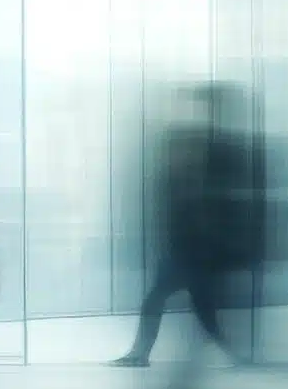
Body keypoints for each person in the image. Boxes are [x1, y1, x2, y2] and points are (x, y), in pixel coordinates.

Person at [111, 83, 259, 371]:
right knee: (184, 306)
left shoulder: (210, 166)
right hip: (186, 252)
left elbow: (211, 210)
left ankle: (142, 354)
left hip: (195, 253)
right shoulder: (187, 174)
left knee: (190, 307)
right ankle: (231, 355)